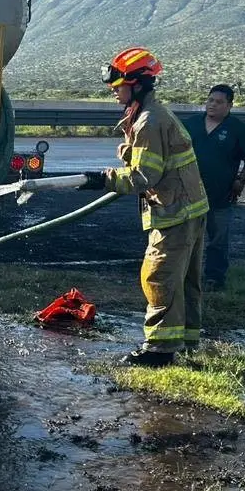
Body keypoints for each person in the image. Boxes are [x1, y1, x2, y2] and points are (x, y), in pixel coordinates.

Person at [79, 47, 210, 366]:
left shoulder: (149, 121)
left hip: (174, 212)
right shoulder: (152, 114)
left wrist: (104, 179)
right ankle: (187, 340)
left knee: (159, 276)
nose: (114, 93)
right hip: (190, 209)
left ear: (136, 84)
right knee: (184, 280)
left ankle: (159, 351)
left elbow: (143, 176)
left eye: (117, 87)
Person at [183, 84, 245, 291]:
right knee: (185, 239)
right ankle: (183, 277)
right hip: (188, 195)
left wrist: (241, 181)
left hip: (220, 197)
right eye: (210, 100)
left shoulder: (239, 129)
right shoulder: (190, 125)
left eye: (219, 102)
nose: (213, 105)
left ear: (229, 105)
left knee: (217, 240)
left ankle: (214, 279)